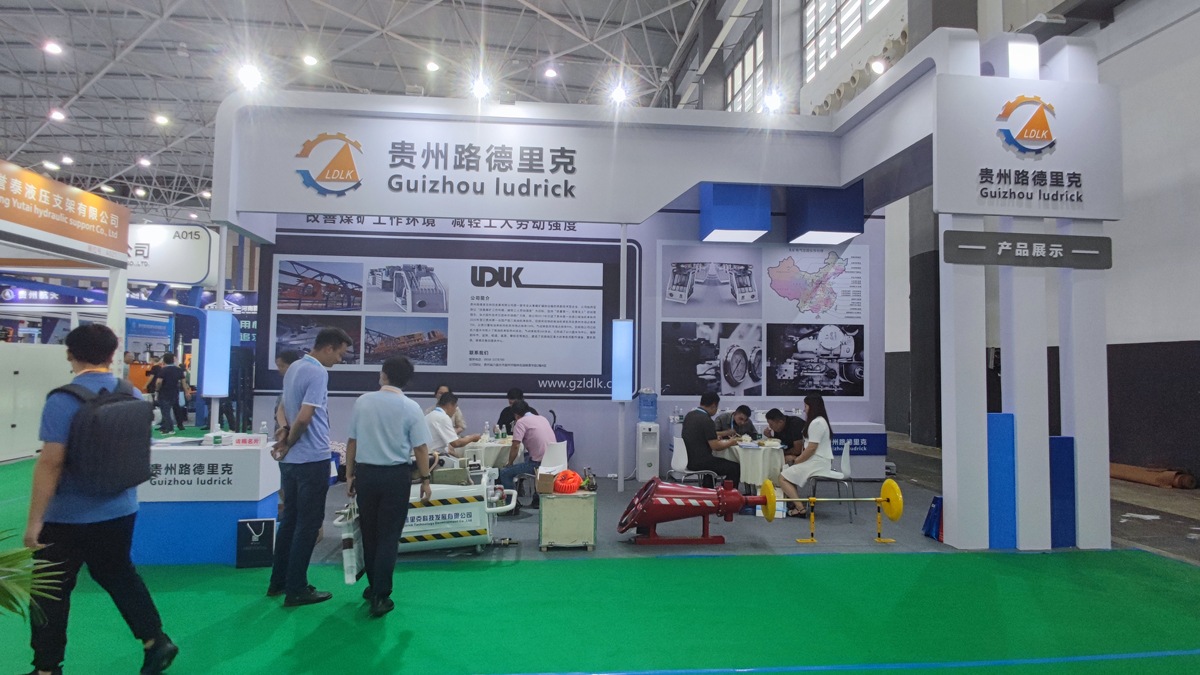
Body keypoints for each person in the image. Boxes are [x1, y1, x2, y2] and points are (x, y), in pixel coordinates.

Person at [23, 324, 179, 675]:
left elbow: (51, 462)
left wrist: (35, 522)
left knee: (50, 591)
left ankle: (47, 667)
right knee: (120, 575)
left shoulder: (63, 399)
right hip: (121, 508)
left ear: (69, 354)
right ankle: (155, 640)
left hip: (67, 516)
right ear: (113, 353)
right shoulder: (130, 392)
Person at [268, 328, 353, 607]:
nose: (339, 360)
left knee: (290, 521)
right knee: (308, 525)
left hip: (291, 464)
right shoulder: (317, 372)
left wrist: (284, 433)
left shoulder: (294, 368)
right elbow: (305, 418)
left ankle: (279, 582)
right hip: (311, 459)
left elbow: (281, 409)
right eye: (340, 354)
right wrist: (289, 442)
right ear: (328, 348)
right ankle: (297, 588)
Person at [345, 356, 432, 618]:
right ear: (407, 381)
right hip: (396, 477)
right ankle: (381, 596)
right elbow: (421, 448)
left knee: (369, 533)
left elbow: (352, 441)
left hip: (366, 474)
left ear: (383, 375)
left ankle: (374, 587)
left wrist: (349, 474)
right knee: (388, 536)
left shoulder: (363, 401)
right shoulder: (411, 407)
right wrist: (425, 479)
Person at [775, 396, 837, 518]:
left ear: (812, 407)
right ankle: (794, 503)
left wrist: (798, 460)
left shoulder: (817, 423)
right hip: (817, 461)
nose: (804, 409)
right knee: (786, 470)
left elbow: (811, 448)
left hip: (817, 462)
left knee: (782, 477)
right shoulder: (820, 421)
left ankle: (799, 508)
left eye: (806, 406)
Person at [498, 401, 556, 509]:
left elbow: (515, 446)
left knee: (505, 472)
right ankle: (537, 499)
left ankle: (511, 506)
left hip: (538, 465)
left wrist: (509, 463)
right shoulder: (542, 418)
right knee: (531, 459)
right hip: (554, 462)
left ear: (516, 415)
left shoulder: (521, 422)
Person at [681, 392, 741, 488]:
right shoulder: (707, 420)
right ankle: (726, 493)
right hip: (701, 462)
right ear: (713, 406)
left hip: (688, 459)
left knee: (713, 463)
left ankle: (708, 490)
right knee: (735, 467)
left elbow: (697, 435)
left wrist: (715, 437)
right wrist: (731, 442)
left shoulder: (690, 415)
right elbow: (715, 447)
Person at [425, 393, 482, 460]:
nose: (455, 410)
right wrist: (472, 438)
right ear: (449, 405)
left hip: (428, 455)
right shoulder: (443, 418)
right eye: (455, 406)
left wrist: (459, 460)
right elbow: (456, 443)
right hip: (434, 457)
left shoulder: (429, 415)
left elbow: (447, 449)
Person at [147, 353, 190, 434]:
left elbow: (159, 382)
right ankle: (180, 425)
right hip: (175, 392)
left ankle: (168, 427)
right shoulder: (179, 370)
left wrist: (157, 389)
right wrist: (186, 392)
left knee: (165, 411)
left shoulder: (163, 370)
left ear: (164, 360)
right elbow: (184, 383)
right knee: (177, 409)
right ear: (173, 360)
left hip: (164, 392)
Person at [273, 350, 302, 434]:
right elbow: (280, 410)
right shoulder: (287, 383)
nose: (279, 369)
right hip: (283, 430)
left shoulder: (300, 384)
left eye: (282, 366)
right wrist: (283, 427)